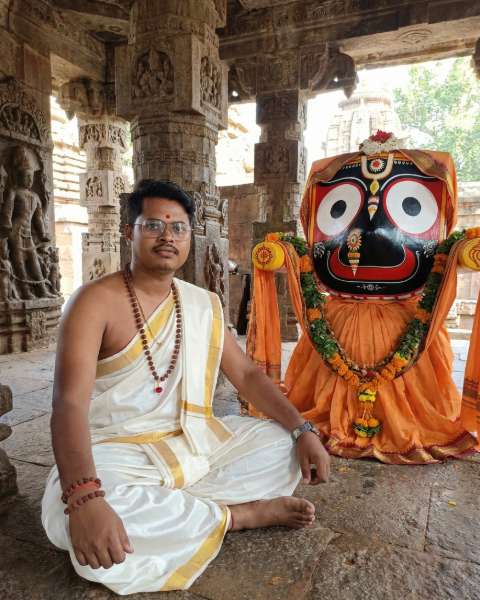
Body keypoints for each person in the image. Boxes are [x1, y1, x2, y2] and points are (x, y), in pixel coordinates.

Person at [41, 179, 330, 595]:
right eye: (153, 225)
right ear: (129, 231)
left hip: (192, 441)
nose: (168, 237)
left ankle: (179, 510)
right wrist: (86, 498)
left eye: (178, 228)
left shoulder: (201, 303)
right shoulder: (93, 302)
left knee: (281, 445)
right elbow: (68, 403)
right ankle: (240, 515)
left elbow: (247, 376)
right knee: (69, 516)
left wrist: (303, 430)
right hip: (116, 451)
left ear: (189, 237)